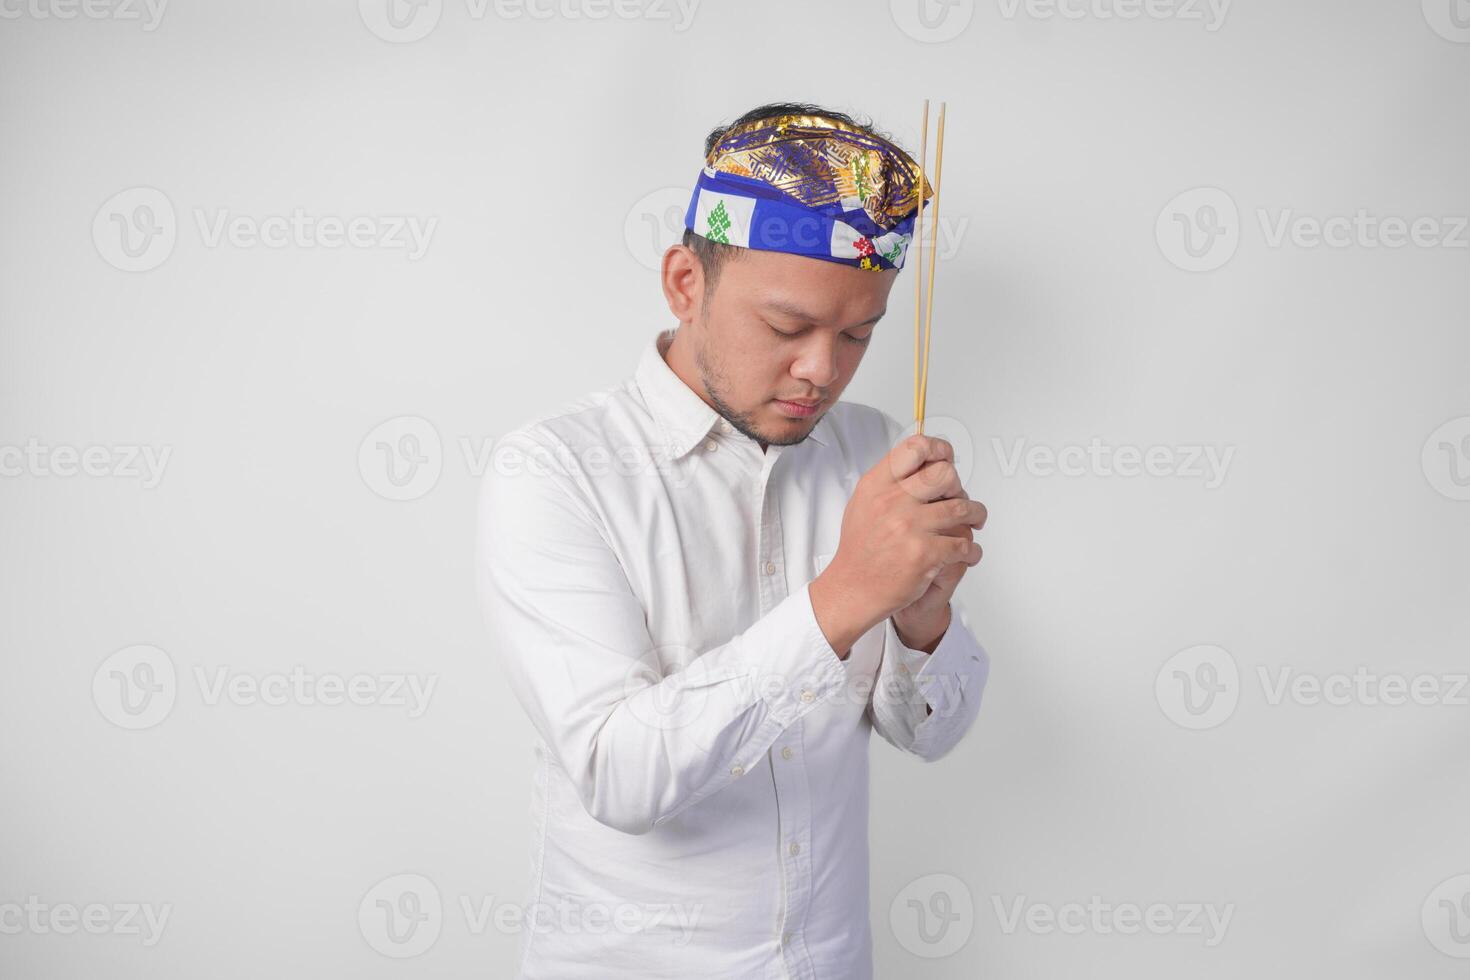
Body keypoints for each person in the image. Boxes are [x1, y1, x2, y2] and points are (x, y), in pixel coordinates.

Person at [476, 101, 991, 980]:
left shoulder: (872, 450)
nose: (822, 371)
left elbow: (929, 734)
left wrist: (923, 620)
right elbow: (618, 774)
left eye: (858, 334)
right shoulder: (554, 472)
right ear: (685, 282)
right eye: (787, 329)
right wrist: (845, 596)